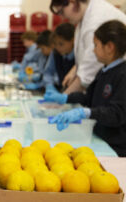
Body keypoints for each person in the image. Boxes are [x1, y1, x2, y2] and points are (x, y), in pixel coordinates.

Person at [48, 20, 126, 157]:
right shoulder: (103, 71)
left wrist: (86, 113)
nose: (93, 50)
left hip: (117, 148)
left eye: (96, 45)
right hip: (100, 137)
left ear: (109, 47)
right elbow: (89, 98)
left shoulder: (122, 75)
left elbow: (117, 113)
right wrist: (66, 98)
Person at [50, 0, 126, 94]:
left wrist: (61, 100)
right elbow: (88, 56)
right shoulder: (85, 14)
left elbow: (86, 75)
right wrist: (75, 70)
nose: (61, 17)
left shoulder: (95, 22)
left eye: (62, 12)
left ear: (72, 2)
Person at [42, 23, 75, 92]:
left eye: (61, 44)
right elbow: (48, 73)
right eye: (55, 44)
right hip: (60, 89)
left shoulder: (78, 55)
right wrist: (49, 86)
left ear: (73, 40)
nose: (57, 48)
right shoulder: (55, 53)